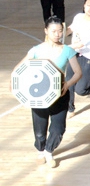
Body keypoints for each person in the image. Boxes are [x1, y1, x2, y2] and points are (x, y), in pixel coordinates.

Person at [17, 16, 82, 168]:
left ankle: (48, 151)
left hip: (60, 95)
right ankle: (41, 151)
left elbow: (78, 72)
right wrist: (18, 87)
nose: (58, 34)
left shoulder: (68, 50)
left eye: (60, 31)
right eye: (54, 31)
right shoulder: (36, 50)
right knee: (40, 130)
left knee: (58, 129)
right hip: (39, 96)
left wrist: (68, 84)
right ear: (46, 31)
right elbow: (19, 69)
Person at [66, 0, 90, 112]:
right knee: (69, 83)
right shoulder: (78, 17)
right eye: (88, 5)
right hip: (74, 54)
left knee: (81, 90)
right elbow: (71, 28)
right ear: (84, 5)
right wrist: (61, 33)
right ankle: (70, 109)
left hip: (88, 57)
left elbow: (82, 44)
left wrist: (64, 48)